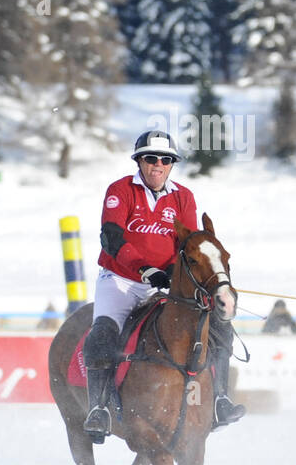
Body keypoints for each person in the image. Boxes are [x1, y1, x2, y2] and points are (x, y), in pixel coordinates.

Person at [81, 130, 245, 443]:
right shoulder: (121, 190)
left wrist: (182, 277)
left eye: (165, 159)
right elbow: (111, 238)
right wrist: (145, 269)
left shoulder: (184, 197)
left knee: (219, 327)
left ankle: (220, 400)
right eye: (151, 158)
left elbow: (187, 244)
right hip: (120, 282)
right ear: (139, 161)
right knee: (103, 336)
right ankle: (99, 408)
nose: (158, 165)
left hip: (165, 282)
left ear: (172, 165)